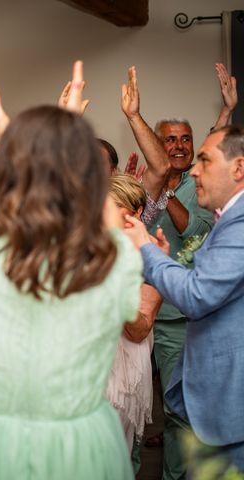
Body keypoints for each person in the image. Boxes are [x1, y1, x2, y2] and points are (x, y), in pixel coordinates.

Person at [0, 63, 142, 479]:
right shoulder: (110, 266)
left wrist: (4, 149)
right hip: (77, 447)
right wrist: (69, 141)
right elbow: (108, 219)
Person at [124, 124, 244, 472]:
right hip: (215, 402)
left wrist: (148, 250)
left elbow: (197, 294)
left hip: (230, 405)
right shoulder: (231, 219)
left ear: (238, 169)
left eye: (205, 160)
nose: (194, 170)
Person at [121, 65, 214, 479]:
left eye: (184, 139)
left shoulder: (204, 184)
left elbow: (191, 229)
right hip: (129, 316)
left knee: (177, 409)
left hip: (178, 316)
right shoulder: (144, 191)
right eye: (169, 140)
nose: (177, 147)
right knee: (128, 406)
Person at [105, 173, 163, 454]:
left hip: (123, 368)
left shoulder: (151, 258)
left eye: (114, 206)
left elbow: (139, 329)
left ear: (136, 212)